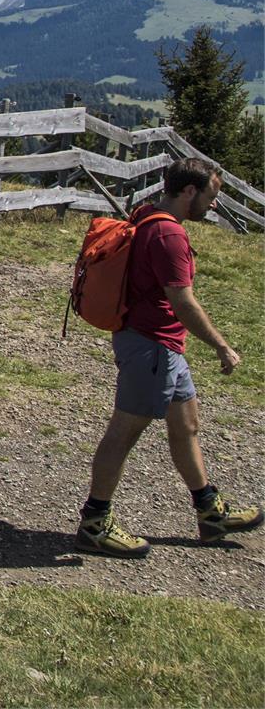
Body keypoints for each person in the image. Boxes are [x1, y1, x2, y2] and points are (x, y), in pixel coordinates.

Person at [78, 158, 260, 557]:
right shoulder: (168, 235)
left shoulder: (150, 215)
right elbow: (182, 300)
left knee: (186, 425)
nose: (213, 205)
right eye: (211, 197)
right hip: (151, 347)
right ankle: (94, 522)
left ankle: (209, 510)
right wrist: (221, 346)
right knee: (123, 433)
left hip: (163, 347)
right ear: (190, 191)